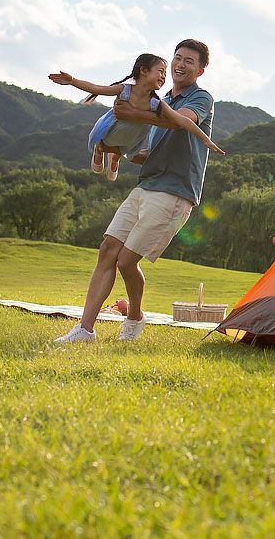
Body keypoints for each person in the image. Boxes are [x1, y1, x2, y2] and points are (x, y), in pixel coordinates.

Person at [55, 39, 217, 344]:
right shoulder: (159, 97)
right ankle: (85, 329)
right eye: (177, 58)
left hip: (175, 192)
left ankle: (135, 316)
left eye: (189, 61)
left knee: (127, 261)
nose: (180, 65)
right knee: (107, 250)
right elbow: (145, 148)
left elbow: (181, 124)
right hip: (146, 185)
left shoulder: (201, 98)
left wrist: (132, 113)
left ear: (201, 69)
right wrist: (115, 148)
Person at [48, 53, 223, 181]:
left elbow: (180, 121)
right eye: (160, 71)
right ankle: (99, 150)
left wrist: (205, 139)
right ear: (144, 71)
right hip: (113, 129)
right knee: (103, 142)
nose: (164, 76)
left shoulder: (157, 103)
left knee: (125, 149)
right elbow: (96, 88)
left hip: (132, 138)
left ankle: (115, 157)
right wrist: (72, 81)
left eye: (164, 73)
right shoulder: (124, 89)